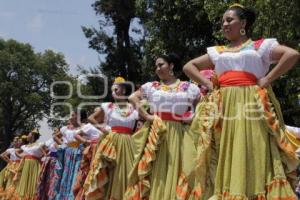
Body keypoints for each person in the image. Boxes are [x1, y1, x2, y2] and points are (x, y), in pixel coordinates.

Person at [183, 3, 300, 199]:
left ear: (243, 23)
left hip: (251, 103)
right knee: (224, 149)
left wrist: (268, 79)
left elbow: (292, 55)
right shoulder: (218, 51)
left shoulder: (260, 46)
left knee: (253, 146)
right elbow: (189, 66)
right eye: (222, 22)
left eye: (229, 20)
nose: (225, 25)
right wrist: (208, 83)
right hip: (225, 106)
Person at [124, 54, 200, 200]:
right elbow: (132, 97)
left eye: (161, 65)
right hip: (155, 132)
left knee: (177, 168)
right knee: (153, 170)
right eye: (156, 66)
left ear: (171, 65)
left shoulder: (189, 87)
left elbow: (201, 104)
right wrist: (146, 116)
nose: (157, 68)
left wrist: (192, 118)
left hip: (178, 133)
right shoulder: (152, 86)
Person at [83, 77, 139, 200]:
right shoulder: (108, 106)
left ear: (124, 90)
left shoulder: (133, 108)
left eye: (116, 89)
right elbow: (91, 118)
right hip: (111, 143)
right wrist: (103, 129)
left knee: (128, 171)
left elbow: (141, 122)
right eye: (112, 90)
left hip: (129, 144)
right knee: (110, 171)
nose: (113, 92)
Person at [11, 129, 43, 200]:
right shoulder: (24, 146)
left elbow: (45, 153)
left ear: (33, 135)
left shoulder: (40, 144)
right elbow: (18, 153)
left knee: (33, 181)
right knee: (24, 180)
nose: (27, 136)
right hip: (25, 165)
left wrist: (39, 159)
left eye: (29, 134)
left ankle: (31, 198)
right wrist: (20, 155)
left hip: (34, 165)